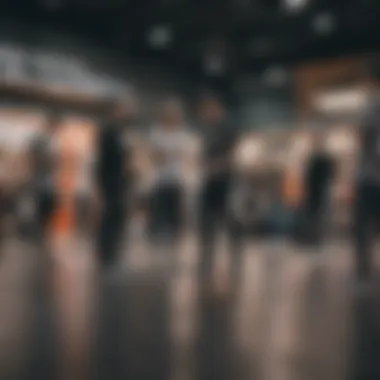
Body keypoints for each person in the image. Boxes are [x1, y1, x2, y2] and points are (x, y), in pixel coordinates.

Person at [197, 94, 241, 291]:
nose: (206, 115)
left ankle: (234, 245)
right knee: (209, 215)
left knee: (225, 213)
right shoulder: (209, 131)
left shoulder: (227, 129)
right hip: (210, 178)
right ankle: (208, 248)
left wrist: (217, 166)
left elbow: (231, 154)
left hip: (223, 178)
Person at [96, 96, 137, 268]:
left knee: (118, 214)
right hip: (111, 179)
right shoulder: (108, 132)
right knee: (111, 214)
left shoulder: (121, 132)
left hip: (120, 179)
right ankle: (107, 253)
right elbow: (106, 159)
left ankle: (113, 252)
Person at [148, 99, 189, 247]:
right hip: (160, 178)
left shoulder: (181, 134)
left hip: (175, 178)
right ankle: (156, 238)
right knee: (159, 210)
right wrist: (166, 155)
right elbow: (156, 155)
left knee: (174, 212)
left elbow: (183, 155)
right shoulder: (157, 133)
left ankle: (173, 239)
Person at [353, 58, 380, 286]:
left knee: (363, 226)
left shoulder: (371, 105)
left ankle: (363, 274)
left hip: (369, 176)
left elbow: (365, 136)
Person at [30, 111, 62, 243]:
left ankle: (44, 236)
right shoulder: (41, 141)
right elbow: (36, 158)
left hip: (50, 184)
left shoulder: (53, 142)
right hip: (41, 184)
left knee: (49, 212)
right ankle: (39, 236)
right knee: (42, 211)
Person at [300, 131, 335, 246]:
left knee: (317, 216)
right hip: (315, 192)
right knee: (314, 216)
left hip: (318, 192)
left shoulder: (321, 160)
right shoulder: (318, 160)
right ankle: (314, 237)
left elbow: (326, 177)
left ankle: (315, 238)